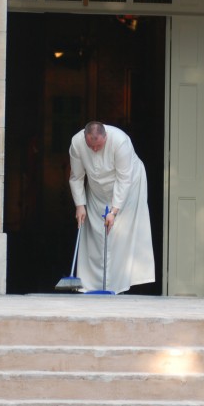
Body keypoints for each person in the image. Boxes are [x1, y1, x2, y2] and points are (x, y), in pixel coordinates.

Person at [68, 121, 155, 293]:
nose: (94, 150)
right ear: (84, 138)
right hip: (96, 190)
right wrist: (79, 205)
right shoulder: (77, 143)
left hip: (128, 187)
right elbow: (76, 177)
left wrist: (114, 211)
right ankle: (90, 286)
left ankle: (117, 286)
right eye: (90, 146)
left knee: (119, 236)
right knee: (95, 236)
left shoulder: (120, 141)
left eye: (98, 146)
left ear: (105, 137)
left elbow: (124, 179)